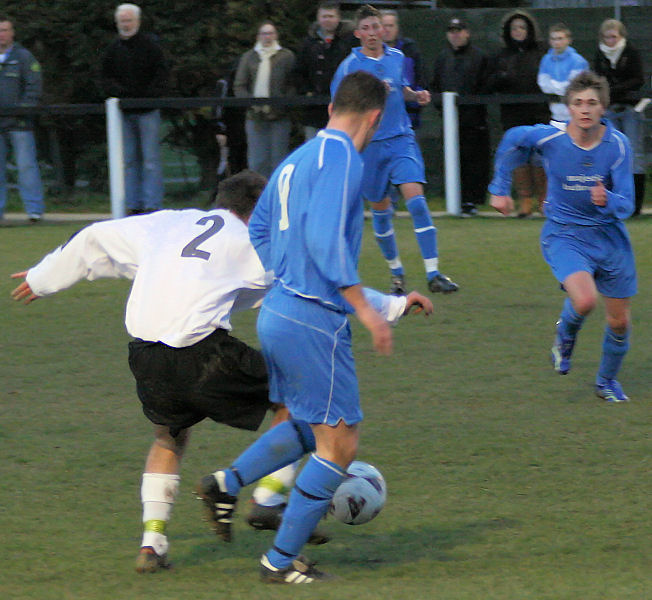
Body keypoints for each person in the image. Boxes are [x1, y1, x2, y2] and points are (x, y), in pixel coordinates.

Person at [194, 70, 434, 584]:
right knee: (341, 442)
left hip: (280, 310)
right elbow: (325, 242)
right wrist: (366, 310)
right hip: (312, 322)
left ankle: (227, 482)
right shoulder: (346, 158)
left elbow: (258, 226)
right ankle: (280, 562)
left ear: (332, 108)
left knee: (307, 424)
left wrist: (289, 272)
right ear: (374, 118)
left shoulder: (295, 160)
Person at [10, 171, 287, 573]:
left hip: (145, 354)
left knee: (169, 436)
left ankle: (152, 545)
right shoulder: (251, 239)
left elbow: (95, 237)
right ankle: (267, 498)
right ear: (257, 212)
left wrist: (43, 279)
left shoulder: (170, 220)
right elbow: (295, 285)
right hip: (203, 352)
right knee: (297, 398)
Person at [489, 71, 636, 403]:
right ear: (568, 108)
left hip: (609, 238)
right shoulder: (550, 138)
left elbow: (626, 203)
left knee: (619, 322)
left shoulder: (618, 146)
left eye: (592, 104)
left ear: (604, 109)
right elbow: (513, 138)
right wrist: (498, 189)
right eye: (578, 103)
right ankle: (564, 335)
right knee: (585, 300)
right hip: (564, 233)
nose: (585, 110)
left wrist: (608, 199)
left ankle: (606, 382)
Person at [331, 4, 458, 296]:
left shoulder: (398, 57)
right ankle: (397, 273)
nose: (373, 33)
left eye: (377, 27)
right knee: (380, 211)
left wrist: (416, 95)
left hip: (401, 139)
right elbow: (338, 106)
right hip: (369, 147)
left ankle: (434, 273)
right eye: (367, 28)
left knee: (416, 201)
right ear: (358, 33)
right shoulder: (349, 66)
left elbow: (400, 89)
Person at [101, 3, 168, 215]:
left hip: (148, 111)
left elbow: (161, 75)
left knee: (150, 160)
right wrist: (122, 95)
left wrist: (147, 96)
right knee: (128, 161)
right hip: (123, 113)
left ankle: (152, 204)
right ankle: (132, 204)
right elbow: (104, 78)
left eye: (129, 20)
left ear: (137, 22)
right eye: (122, 21)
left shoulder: (151, 47)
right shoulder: (112, 50)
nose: (126, 24)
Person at [487, 10, 549, 218]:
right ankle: (525, 201)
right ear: (508, 31)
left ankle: (544, 200)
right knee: (519, 158)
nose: (518, 31)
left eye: (522, 27)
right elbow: (490, 84)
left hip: (540, 112)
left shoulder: (542, 51)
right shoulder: (500, 56)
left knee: (541, 157)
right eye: (514, 28)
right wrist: (502, 77)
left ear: (530, 30)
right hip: (513, 114)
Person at [430, 17, 490, 217]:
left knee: (474, 162)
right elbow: (435, 86)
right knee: (453, 161)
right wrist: (442, 107)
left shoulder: (479, 57)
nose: (455, 34)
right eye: (451, 30)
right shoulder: (442, 57)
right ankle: (455, 200)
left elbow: (485, 86)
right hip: (450, 121)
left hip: (474, 122)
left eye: (459, 30)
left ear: (467, 32)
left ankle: (471, 201)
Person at [594, 19, 646, 216]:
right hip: (610, 108)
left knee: (634, 154)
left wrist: (613, 89)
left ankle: (636, 204)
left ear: (621, 36)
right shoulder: (600, 55)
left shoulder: (631, 52)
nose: (610, 40)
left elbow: (638, 80)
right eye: (607, 37)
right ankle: (615, 202)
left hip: (631, 108)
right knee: (612, 154)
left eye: (614, 36)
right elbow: (599, 79)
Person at [234, 21, 295, 178]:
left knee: (279, 160)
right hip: (254, 116)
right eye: (264, 33)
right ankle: (257, 196)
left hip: (280, 116)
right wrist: (251, 104)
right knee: (257, 161)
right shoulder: (248, 57)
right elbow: (239, 86)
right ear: (258, 36)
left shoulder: (286, 56)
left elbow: (293, 84)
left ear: (276, 35)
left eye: (271, 33)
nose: (267, 37)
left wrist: (282, 105)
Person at [0, 16, 44, 223]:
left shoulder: (24, 57)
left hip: (20, 124)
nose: (2, 34)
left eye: (5, 30)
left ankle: (34, 210)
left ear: (13, 32)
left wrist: (22, 110)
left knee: (26, 167)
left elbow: (34, 87)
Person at [293, 1, 356, 141]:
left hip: (343, 107)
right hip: (314, 109)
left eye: (331, 16)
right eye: (324, 16)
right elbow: (298, 71)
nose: (327, 20)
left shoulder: (350, 41)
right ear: (318, 18)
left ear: (338, 18)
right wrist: (306, 91)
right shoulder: (308, 43)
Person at [380, 9, 425, 131]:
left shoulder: (410, 50)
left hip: (408, 119)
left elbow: (420, 80)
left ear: (397, 28)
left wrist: (417, 99)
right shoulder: (368, 54)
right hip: (379, 120)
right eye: (384, 26)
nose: (387, 29)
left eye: (390, 25)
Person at [538, 23, 589, 127]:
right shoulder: (546, 60)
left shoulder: (578, 61)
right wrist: (561, 87)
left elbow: (573, 86)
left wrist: (553, 85)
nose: (557, 42)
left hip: (576, 114)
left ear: (568, 40)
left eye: (560, 38)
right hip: (555, 114)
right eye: (553, 39)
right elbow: (543, 85)